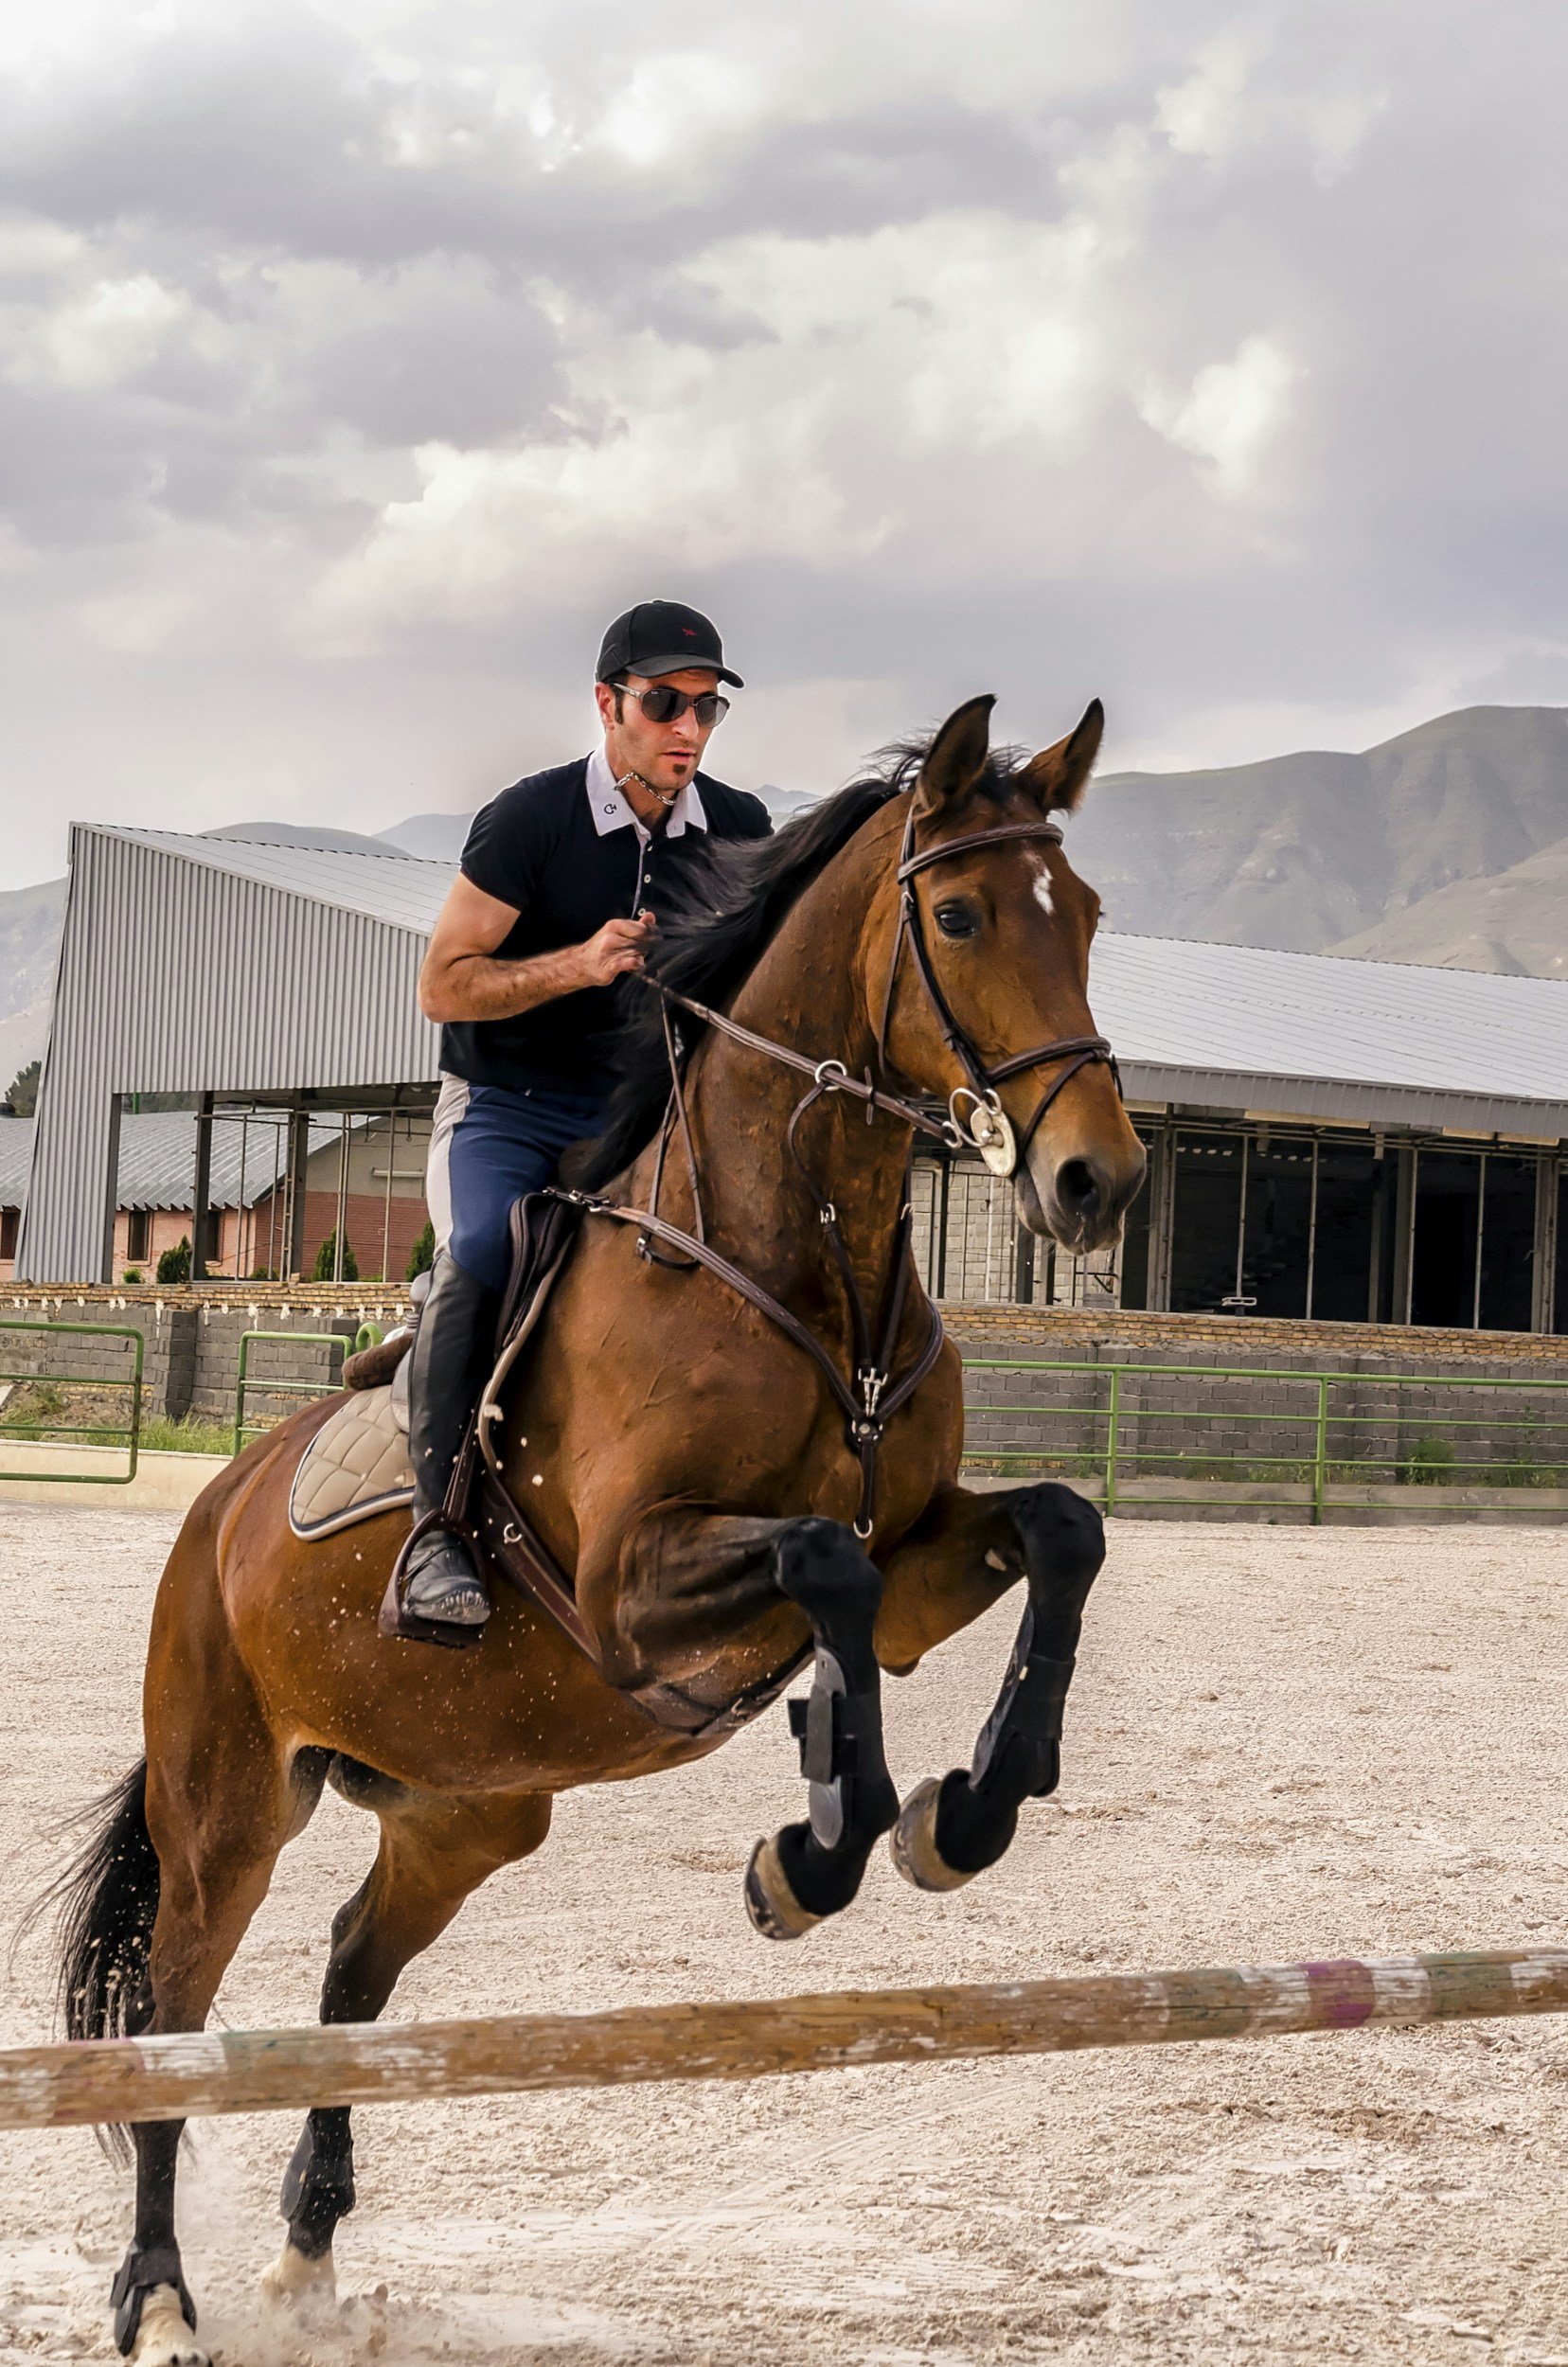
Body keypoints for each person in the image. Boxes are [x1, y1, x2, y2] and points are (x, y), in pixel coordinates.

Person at [390, 599, 773, 1643]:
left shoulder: (738, 831)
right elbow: (443, 986)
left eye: (707, 708)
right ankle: (434, 1532)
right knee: (480, 1246)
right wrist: (578, 965)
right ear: (608, 705)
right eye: (664, 704)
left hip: (643, 1117)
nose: (687, 728)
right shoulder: (532, 820)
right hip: (505, 1108)